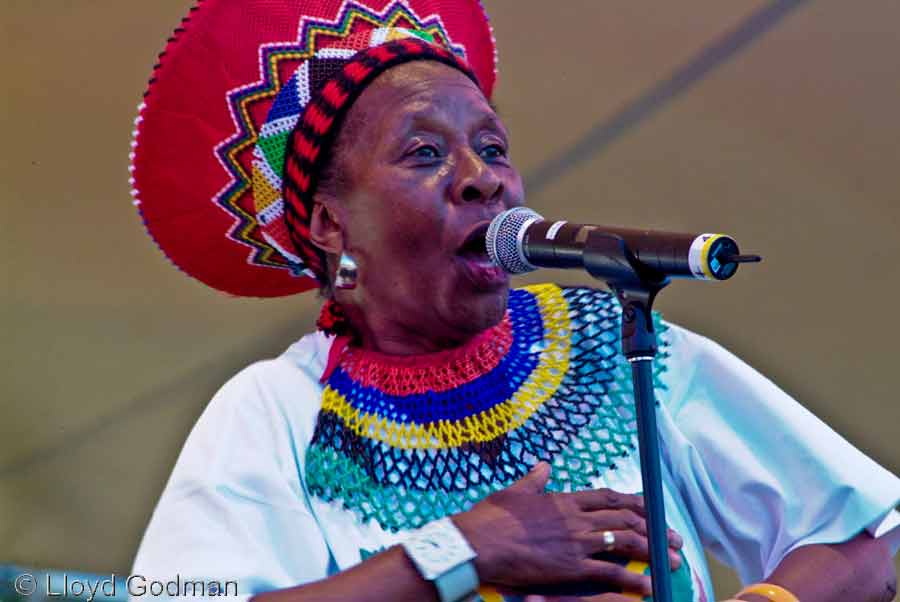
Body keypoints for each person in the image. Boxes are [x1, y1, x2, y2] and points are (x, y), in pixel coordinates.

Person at [128, 1, 900, 601]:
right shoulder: (275, 409)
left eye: (493, 148)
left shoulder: (618, 341)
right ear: (331, 224)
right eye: (425, 153)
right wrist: (457, 553)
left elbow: (869, 536)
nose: (483, 177)